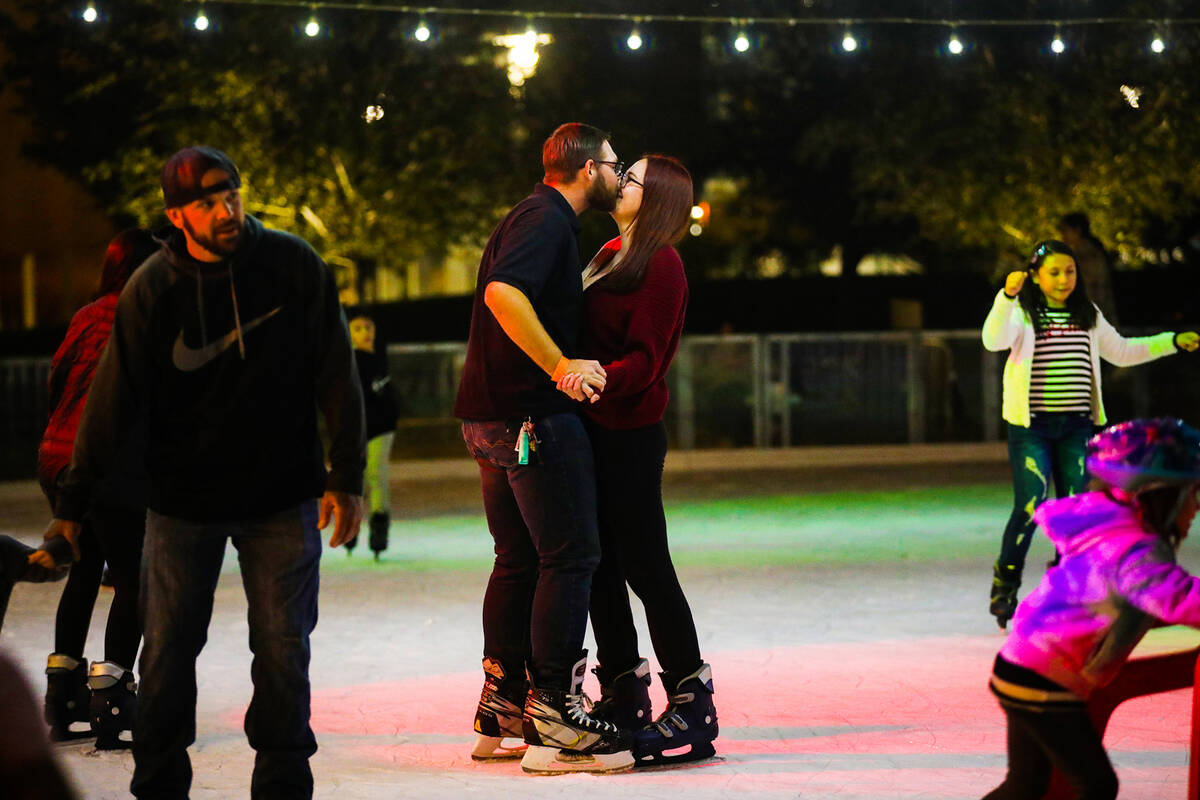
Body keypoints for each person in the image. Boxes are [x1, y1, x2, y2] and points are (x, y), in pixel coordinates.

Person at [41, 146, 366, 799]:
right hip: (183, 501)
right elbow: (110, 401)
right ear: (175, 215)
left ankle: (281, 781)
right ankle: (160, 783)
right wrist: (72, 505)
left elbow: (337, 371)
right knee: (166, 651)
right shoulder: (153, 288)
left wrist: (348, 476)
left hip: (282, 494)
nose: (227, 210)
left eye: (232, 194)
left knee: (282, 649)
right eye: (208, 201)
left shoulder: (292, 265)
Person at [453, 123, 632, 775]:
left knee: (519, 558)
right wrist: (560, 364)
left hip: (489, 415)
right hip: (528, 417)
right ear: (588, 169)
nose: (618, 174)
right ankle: (554, 714)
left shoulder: (530, 216)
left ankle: (504, 705)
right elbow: (503, 293)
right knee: (572, 554)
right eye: (615, 163)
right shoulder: (548, 219)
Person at [556, 155, 718, 766]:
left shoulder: (662, 263)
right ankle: (624, 690)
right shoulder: (607, 252)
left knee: (646, 566)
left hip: (628, 432)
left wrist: (590, 377)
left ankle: (692, 698)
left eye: (632, 179)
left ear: (657, 201)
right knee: (599, 566)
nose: (620, 182)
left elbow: (647, 361)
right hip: (593, 430)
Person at [981, 239, 1198, 628]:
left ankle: (1069, 589)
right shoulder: (1024, 313)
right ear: (1035, 276)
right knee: (1030, 505)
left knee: (1078, 510)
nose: (1064, 279)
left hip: (1077, 426)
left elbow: (1123, 352)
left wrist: (1171, 342)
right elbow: (993, 340)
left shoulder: (1087, 313)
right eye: (1054, 272)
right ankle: (1005, 584)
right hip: (1032, 426)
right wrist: (1006, 296)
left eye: (1070, 271)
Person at [983, 417, 1200, 800]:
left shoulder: (1110, 528)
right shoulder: (1134, 551)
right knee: (1096, 785)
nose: (1195, 510)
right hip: (1046, 681)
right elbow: (1180, 599)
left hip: (1020, 665)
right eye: (1192, 495)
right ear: (1159, 495)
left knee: (1026, 785)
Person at [37, 228, 157, 748]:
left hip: (59, 457)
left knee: (84, 569)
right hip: (108, 462)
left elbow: (56, 379)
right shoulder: (145, 314)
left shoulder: (87, 314)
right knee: (132, 577)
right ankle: (111, 698)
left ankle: (62, 696)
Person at [344, 311, 399, 560]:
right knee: (355, 477)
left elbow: (387, 395)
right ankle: (350, 528)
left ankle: (378, 531)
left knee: (376, 474)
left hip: (381, 429)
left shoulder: (380, 357)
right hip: (355, 430)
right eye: (358, 328)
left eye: (368, 326)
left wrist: (390, 414)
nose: (365, 332)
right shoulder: (346, 361)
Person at [1059, 212, 1118, 323]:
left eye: (1065, 230)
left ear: (1077, 230)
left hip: (1095, 320)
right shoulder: (1084, 253)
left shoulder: (1088, 255)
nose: (1063, 235)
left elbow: (1092, 291)